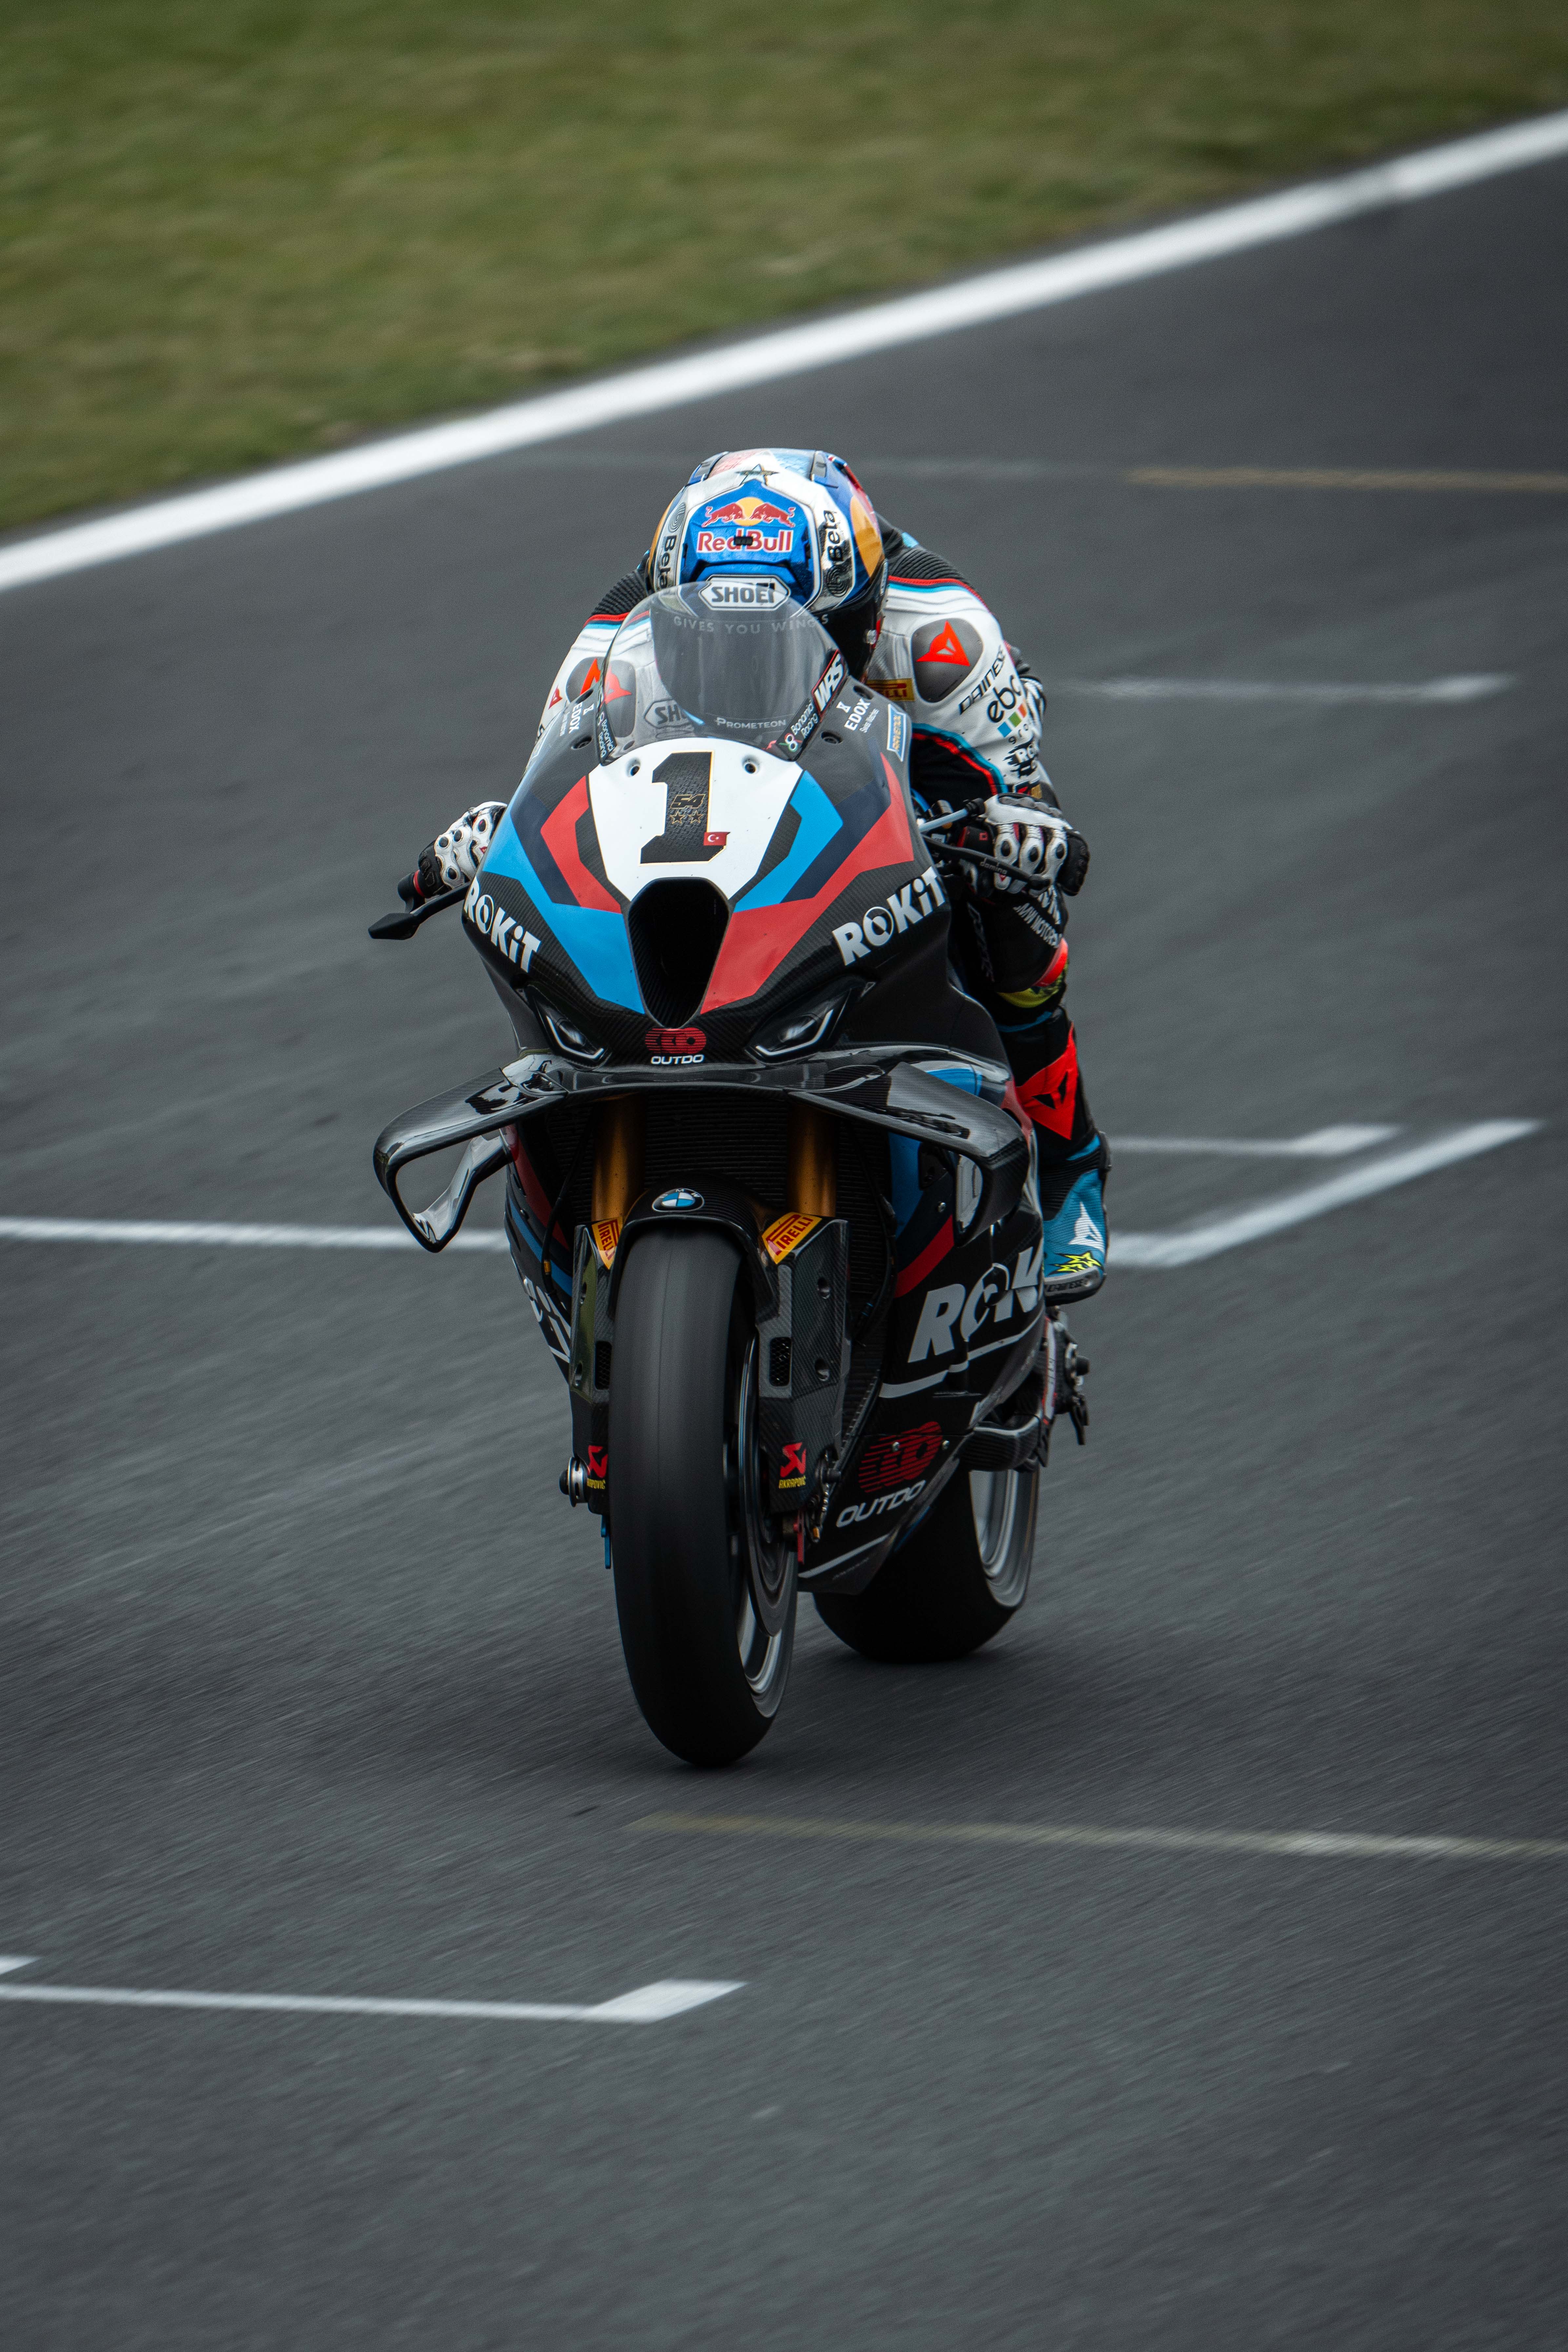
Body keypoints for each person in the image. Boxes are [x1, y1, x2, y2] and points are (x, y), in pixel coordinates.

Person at [403, 447, 1108, 1299]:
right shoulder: (611, 644)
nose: (745, 663)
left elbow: (1025, 800)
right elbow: (558, 787)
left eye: (783, 635)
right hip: (714, 773)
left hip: (915, 763)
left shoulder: (941, 643)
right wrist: (494, 834)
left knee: (1018, 909)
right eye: (708, 639)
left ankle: (1071, 1165)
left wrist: (1015, 831)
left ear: (861, 617)